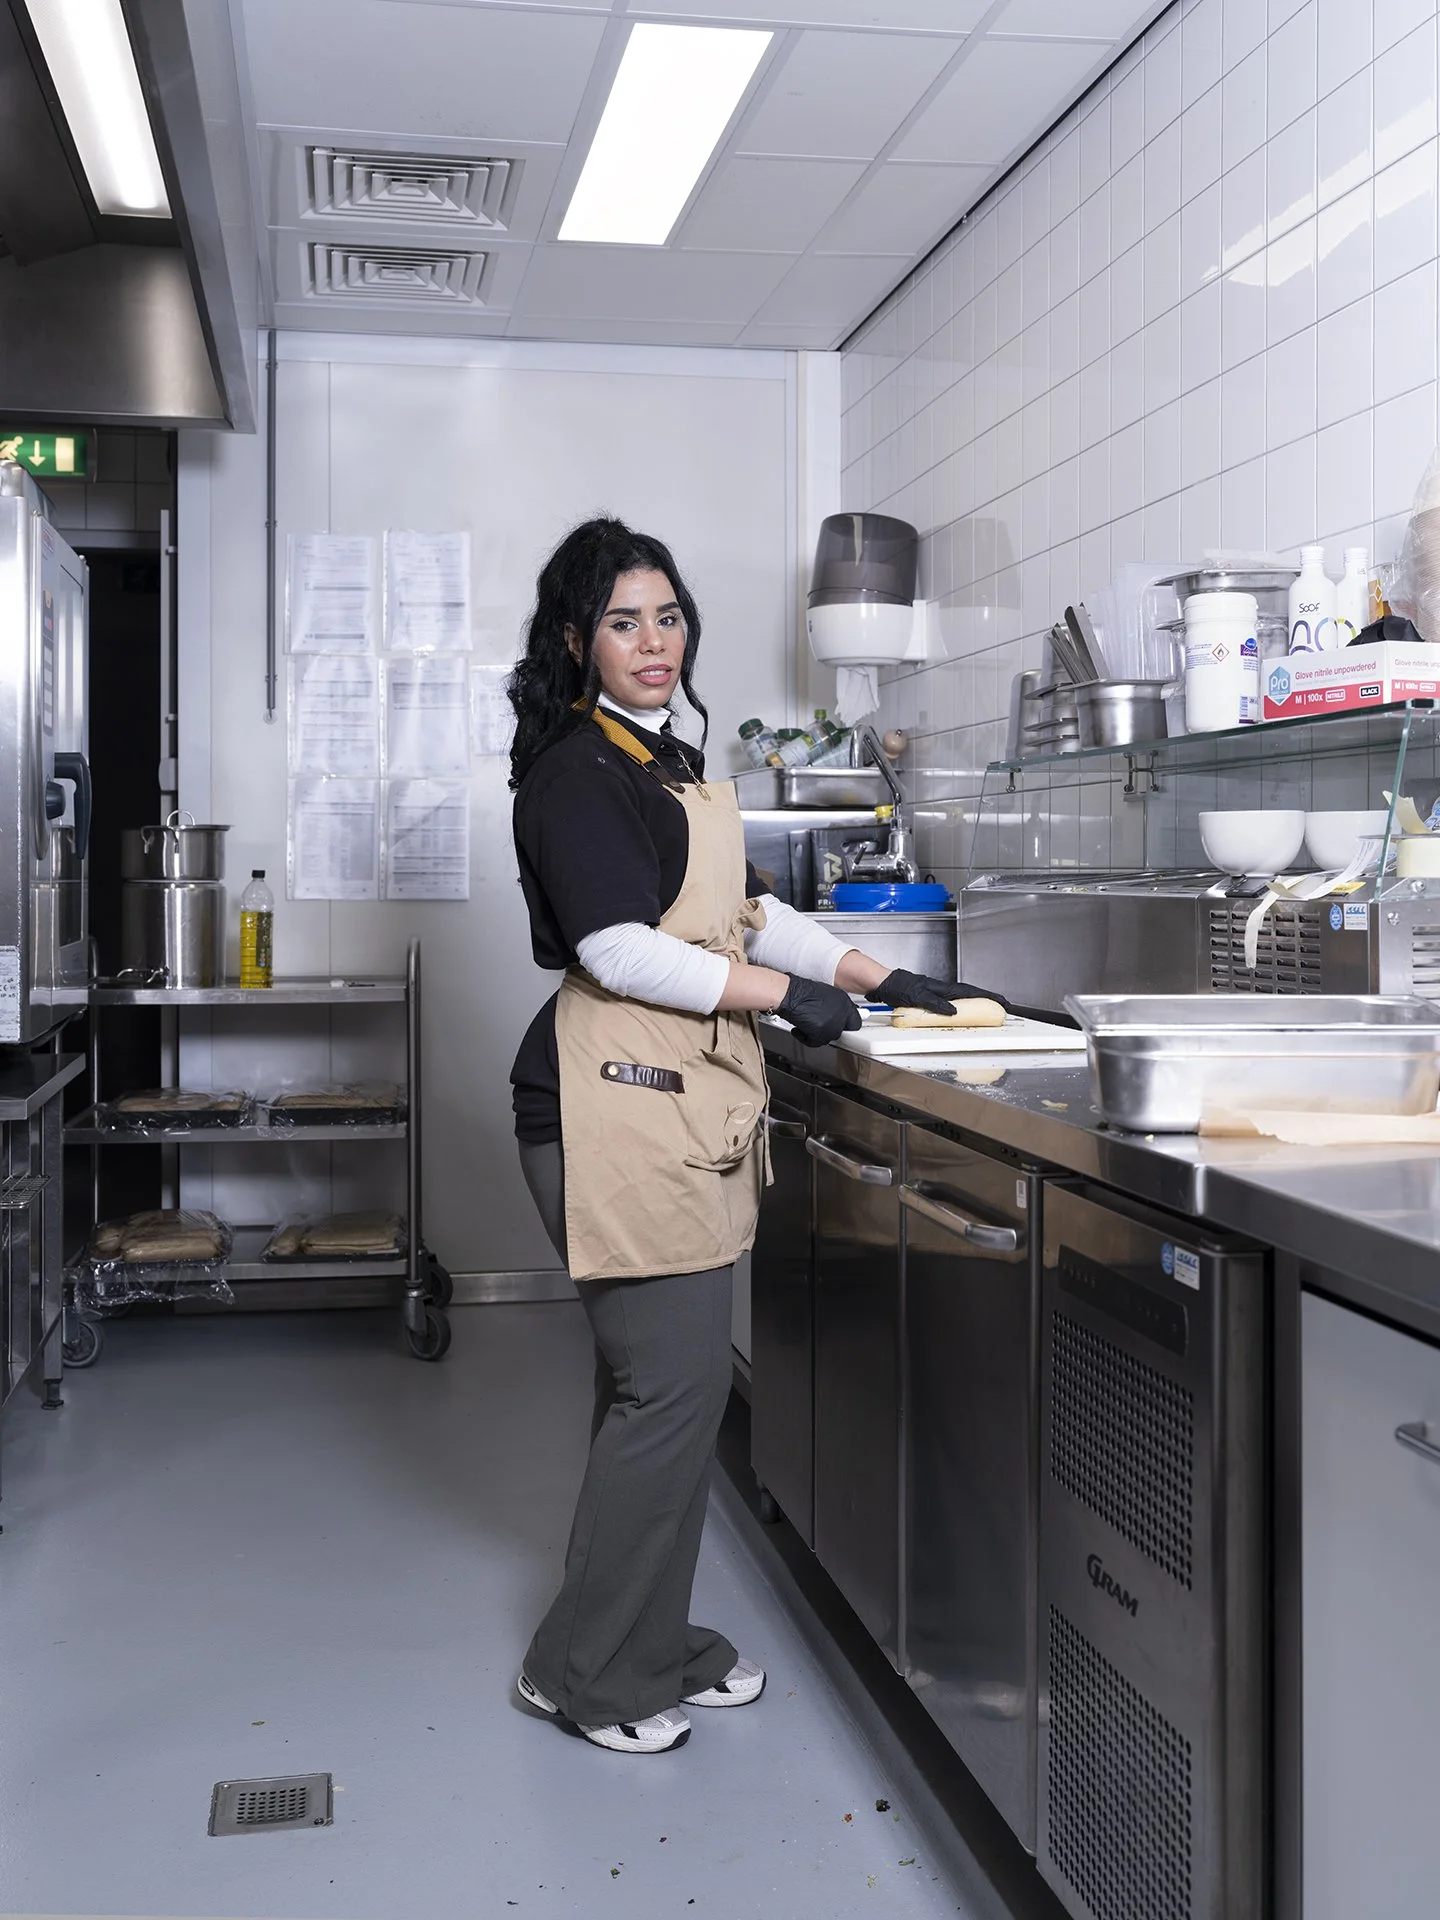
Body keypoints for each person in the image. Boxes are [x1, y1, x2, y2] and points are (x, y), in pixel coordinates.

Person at [506, 516, 1002, 1757]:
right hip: (603, 1101)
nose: (654, 641)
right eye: (624, 621)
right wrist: (796, 1002)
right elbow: (617, 947)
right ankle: (583, 1673)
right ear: (579, 641)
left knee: (661, 1401)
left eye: (667, 616)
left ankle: (644, 1645)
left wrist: (877, 978)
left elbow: (741, 914)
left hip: (672, 1095)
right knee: (665, 1396)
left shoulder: (661, 753)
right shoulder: (577, 767)